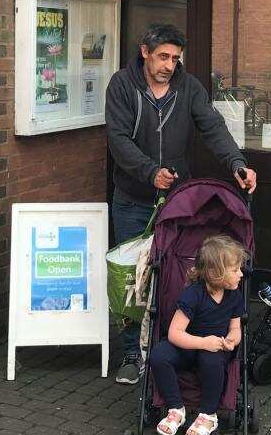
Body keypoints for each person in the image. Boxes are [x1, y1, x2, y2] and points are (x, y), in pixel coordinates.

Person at [106, 23, 257, 384]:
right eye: (162, 57)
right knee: (134, 279)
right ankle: (131, 351)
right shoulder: (122, 85)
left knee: (178, 273)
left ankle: (174, 346)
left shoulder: (189, 88)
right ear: (145, 51)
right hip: (133, 199)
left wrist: (237, 162)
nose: (169, 65)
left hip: (177, 203)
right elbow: (118, 138)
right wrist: (148, 172)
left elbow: (213, 128)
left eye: (175, 58)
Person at [149, 234, 246, 435]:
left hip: (216, 350)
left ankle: (208, 414)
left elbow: (236, 328)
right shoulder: (193, 294)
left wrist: (231, 339)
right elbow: (175, 333)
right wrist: (203, 342)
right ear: (214, 273)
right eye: (235, 269)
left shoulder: (234, 296)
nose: (241, 274)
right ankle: (176, 408)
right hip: (189, 345)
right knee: (158, 354)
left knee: (210, 359)